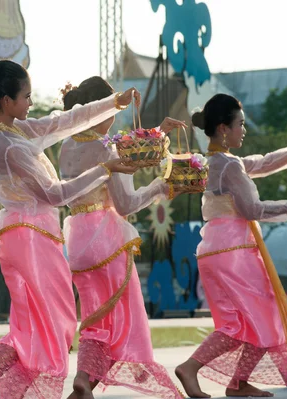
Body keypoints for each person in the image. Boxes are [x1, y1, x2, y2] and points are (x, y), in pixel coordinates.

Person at [0, 60, 139, 399]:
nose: (31, 103)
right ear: (6, 100)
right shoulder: (7, 144)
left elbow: (64, 120)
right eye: (26, 97)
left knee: (38, 325)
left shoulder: (17, 131)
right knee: (51, 325)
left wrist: (113, 101)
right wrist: (105, 168)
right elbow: (55, 194)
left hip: (34, 236)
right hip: (30, 239)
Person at [175, 93, 287, 398]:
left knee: (243, 320)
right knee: (263, 317)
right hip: (234, 253)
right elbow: (253, 210)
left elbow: (264, 162)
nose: (244, 130)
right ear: (223, 128)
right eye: (240, 124)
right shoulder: (230, 166)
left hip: (215, 251)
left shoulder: (216, 162)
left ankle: (238, 382)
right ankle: (192, 368)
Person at [59, 76, 185, 399]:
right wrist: (159, 186)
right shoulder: (106, 148)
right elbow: (126, 204)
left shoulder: (66, 146)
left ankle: (84, 381)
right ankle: (86, 379)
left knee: (94, 319)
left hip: (77, 241)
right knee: (117, 321)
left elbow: (128, 153)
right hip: (106, 239)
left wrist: (158, 134)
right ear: (104, 109)